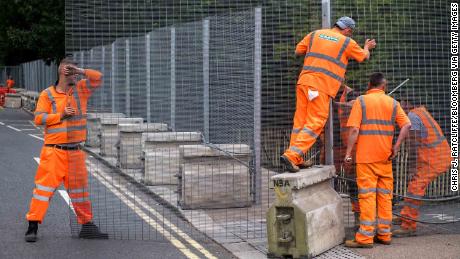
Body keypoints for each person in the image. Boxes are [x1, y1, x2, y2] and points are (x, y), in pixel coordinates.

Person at [25, 57, 108, 242]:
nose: (74, 73)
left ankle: (87, 226)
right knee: (43, 190)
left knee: (80, 192)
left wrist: (80, 70)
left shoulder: (81, 90)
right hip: (53, 151)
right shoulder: (48, 94)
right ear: (62, 70)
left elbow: (98, 78)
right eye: (70, 69)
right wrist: (60, 115)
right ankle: (32, 225)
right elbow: (39, 118)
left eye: (74, 70)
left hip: (76, 152)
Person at [280, 16, 377, 172]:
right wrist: (367, 47)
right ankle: (291, 155)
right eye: (350, 32)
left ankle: (296, 158)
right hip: (321, 86)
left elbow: (298, 50)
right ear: (347, 30)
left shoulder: (315, 34)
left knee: (300, 123)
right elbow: (363, 57)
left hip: (304, 82)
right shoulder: (346, 42)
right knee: (315, 122)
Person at [344, 72, 411, 248]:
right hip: (385, 159)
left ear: (369, 84)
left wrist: (348, 154)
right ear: (384, 86)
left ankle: (365, 239)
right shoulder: (393, 103)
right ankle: (384, 234)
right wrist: (395, 148)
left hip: (366, 159)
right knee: (384, 197)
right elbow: (406, 125)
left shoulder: (361, 101)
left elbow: (353, 130)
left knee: (366, 197)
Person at [392, 96, 451, 237]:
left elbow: (414, 144)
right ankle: (405, 216)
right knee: (414, 186)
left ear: (408, 103)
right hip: (436, 157)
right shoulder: (420, 112)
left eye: (403, 103)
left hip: (435, 160)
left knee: (415, 188)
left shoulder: (413, 115)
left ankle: (409, 226)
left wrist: (412, 167)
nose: (401, 106)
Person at [335, 85, 360, 226]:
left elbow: (350, 103)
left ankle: (361, 219)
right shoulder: (345, 109)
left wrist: (333, 102)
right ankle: (358, 218)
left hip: (357, 156)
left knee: (358, 189)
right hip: (352, 156)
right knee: (353, 188)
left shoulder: (350, 106)